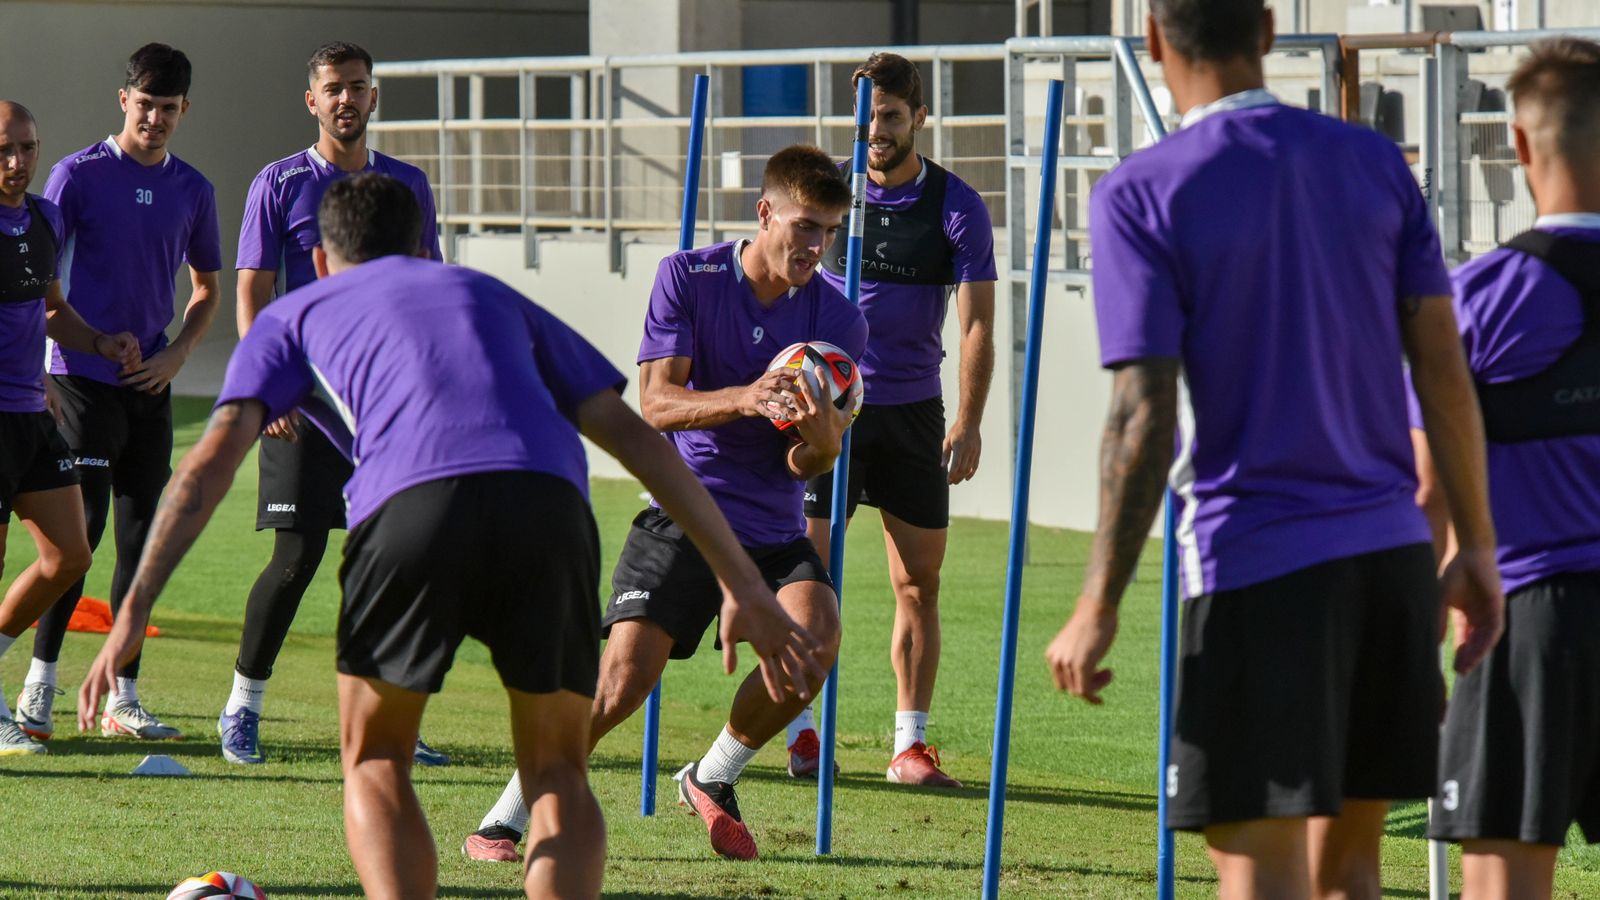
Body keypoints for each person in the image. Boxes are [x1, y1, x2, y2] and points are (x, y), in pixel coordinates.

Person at [75, 172, 826, 900]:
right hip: (551, 509)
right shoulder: (494, 296)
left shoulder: (295, 313)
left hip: (413, 507)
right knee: (559, 772)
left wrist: (134, 608)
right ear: (423, 248)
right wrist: (743, 582)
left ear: (320, 261)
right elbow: (638, 440)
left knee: (376, 759)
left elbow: (205, 468)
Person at [1042, 1, 1506, 897]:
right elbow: (1445, 371)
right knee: (1350, 873)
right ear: (1265, 30)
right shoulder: (1375, 161)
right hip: (1392, 566)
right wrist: (1478, 546)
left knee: (1262, 875)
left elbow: (1142, 414)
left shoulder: (1141, 190)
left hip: (1258, 566)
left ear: (1153, 40)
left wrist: (1098, 600)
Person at [463, 144, 865, 863]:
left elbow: (803, 462)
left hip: (772, 531)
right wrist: (747, 397)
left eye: (830, 231)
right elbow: (656, 403)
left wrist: (825, 445)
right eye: (806, 226)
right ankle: (506, 816)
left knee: (815, 643)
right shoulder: (689, 276)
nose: (817, 246)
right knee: (620, 685)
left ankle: (712, 775)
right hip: (684, 512)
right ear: (764, 212)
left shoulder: (839, 319)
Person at [222, 40, 445, 767]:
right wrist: (269, 385)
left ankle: (395, 719)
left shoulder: (408, 184)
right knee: (296, 557)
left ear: (373, 96)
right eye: (333, 88)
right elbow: (253, 292)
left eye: (357, 86)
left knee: (399, 557)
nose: (346, 99)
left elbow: (430, 284)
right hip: (303, 402)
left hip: (385, 407)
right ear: (311, 100)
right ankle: (242, 708)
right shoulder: (279, 183)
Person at [1415, 38, 1600, 900]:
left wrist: (1409, 640)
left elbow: (1426, 490)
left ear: (1520, 145)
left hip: (1527, 623)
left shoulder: (1478, 297)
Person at [787, 51, 996, 787]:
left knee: (918, 585)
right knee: (805, 577)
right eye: (866, 117)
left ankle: (909, 747)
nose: (875, 130)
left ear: (918, 118)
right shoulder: (829, 197)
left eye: (890, 117)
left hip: (912, 413)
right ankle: (801, 732)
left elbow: (976, 325)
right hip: (828, 411)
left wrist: (969, 420)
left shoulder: (956, 206)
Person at [16, 44, 220, 743]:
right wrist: (70, 353)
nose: (155, 118)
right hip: (78, 382)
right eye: (145, 104)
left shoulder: (193, 189)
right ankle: (38, 688)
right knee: (80, 539)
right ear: (123, 99)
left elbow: (206, 290)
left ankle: (123, 698)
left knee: (140, 543)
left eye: (169, 108)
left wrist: (176, 356)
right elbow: (41, 286)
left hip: (148, 389)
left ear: (183, 110)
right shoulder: (77, 175)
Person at [0, 100, 141, 757]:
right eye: (4, 149)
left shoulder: (45, 218)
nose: (17, 161)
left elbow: (52, 309)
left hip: (33, 414)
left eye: (27, 148)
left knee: (70, 555)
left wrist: (101, 342)